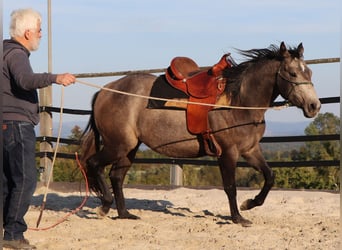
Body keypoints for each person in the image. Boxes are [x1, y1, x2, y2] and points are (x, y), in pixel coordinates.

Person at [2, 8, 76, 249]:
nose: (41, 35)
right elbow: (25, 80)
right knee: (25, 180)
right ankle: (13, 234)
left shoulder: (4, 52)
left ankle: (7, 230)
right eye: (39, 30)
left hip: (5, 124)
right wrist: (55, 78)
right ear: (27, 32)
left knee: (6, 181)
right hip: (16, 124)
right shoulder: (16, 54)